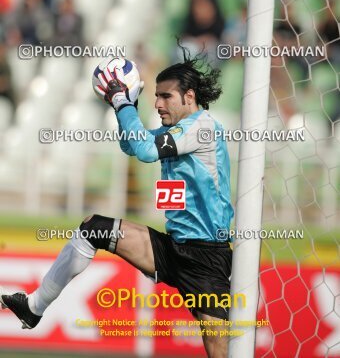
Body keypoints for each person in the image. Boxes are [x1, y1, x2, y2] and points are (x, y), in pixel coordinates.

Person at [0, 47, 234, 358]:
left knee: (220, 353)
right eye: (155, 96)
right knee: (93, 229)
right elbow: (131, 146)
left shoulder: (202, 128)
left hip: (206, 256)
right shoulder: (175, 131)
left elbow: (147, 151)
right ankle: (34, 307)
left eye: (166, 96)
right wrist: (125, 104)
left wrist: (122, 100)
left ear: (189, 96)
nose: (158, 103)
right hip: (172, 248)